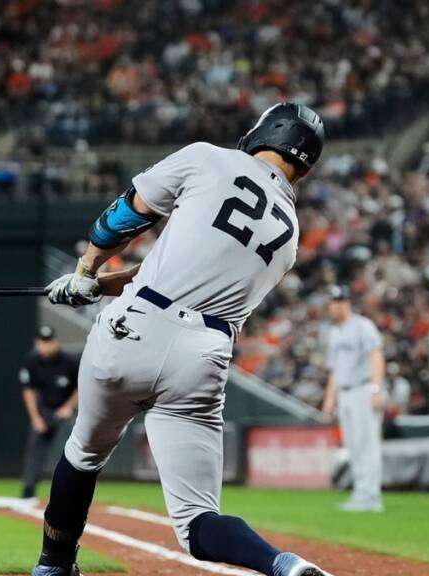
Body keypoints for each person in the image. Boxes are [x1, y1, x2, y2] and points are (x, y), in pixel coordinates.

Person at [32, 103, 332, 576]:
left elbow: (124, 217)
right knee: (197, 522)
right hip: (203, 355)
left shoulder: (209, 158)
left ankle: (53, 567)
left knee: (85, 453)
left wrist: (86, 270)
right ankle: (283, 565)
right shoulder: (290, 233)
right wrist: (100, 285)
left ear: (263, 132)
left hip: (133, 327)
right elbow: (187, 273)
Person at [321, 285, 385, 513]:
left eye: (336, 302)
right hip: (345, 393)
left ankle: (371, 496)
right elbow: (335, 370)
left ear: (345, 303)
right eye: (330, 302)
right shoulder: (335, 332)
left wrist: (376, 388)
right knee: (353, 445)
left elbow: (376, 355)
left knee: (367, 444)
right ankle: (361, 492)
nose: (332, 306)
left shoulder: (362, 326)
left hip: (363, 389)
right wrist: (330, 398)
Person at [19, 325, 79, 500]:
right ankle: (28, 490)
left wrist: (68, 407)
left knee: (73, 450)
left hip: (65, 412)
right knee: (34, 450)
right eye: (41, 342)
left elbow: (80, 387)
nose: (44, 346)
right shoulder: (31, 361)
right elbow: (29, 391)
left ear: (54, 342)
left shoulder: (69, 361)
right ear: (36, 343)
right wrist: (35, 418)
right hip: (44, 412)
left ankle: (71, 491)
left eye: (48, 342)